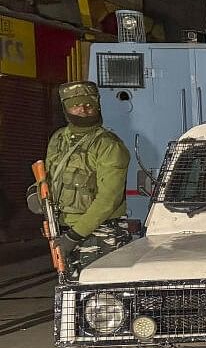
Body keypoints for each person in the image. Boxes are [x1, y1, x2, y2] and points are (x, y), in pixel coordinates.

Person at [31, 82, 131, 273]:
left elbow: (109, 199)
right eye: (75, 105)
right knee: (70, 294)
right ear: (66, 108)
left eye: (88, 104)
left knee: (101, 297)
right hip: (63, 228)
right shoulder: (59, 138)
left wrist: (74, 236)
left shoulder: (108, 145)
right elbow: (49, 178)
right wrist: (34, 191)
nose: (83, 109)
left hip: (100, 233)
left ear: (97, 106)